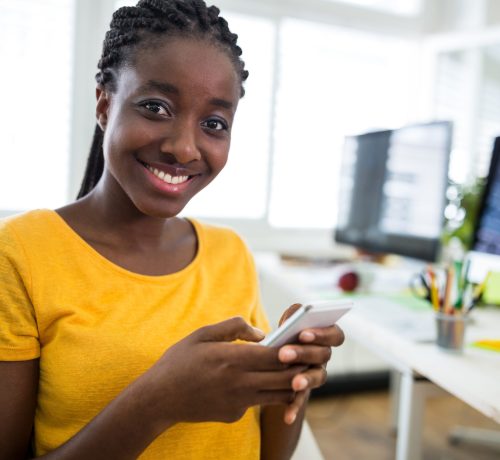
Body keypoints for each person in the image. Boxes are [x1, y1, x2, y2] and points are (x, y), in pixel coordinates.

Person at [0, 1, 345, 458]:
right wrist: (159, 402)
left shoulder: (230, 253)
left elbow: (270, 453)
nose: (185, 148)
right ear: (104, 104)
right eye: (156, 107)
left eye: (214, 123)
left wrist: (290, 381)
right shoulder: (22, 253)